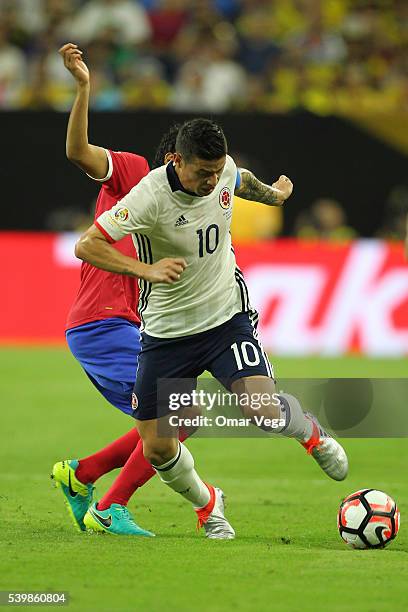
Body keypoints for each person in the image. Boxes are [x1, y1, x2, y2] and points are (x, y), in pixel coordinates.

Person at [75, 117, 349, 540]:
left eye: (216, 170)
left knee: (260, 408)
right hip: (167, 334)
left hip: (226, 318)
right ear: (175, 161)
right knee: (158, 446)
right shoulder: (149, 196)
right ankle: (209, 508)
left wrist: (274, 196)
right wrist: (145, 268)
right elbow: (87, 244)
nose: (211, 180)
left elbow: (242, 181)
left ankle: (311, 434)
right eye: (202, 172)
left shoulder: (222, 171)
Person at [51, 43, 188, 537]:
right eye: (198, 167)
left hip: (125, 326)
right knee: (178, 413)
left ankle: (82, 474)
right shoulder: (135, 175)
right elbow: (77, 153)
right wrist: (84, 87)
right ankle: (109, 505)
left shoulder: (183, 215)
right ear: (174, 161)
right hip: (100, 323)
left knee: (166, 419)